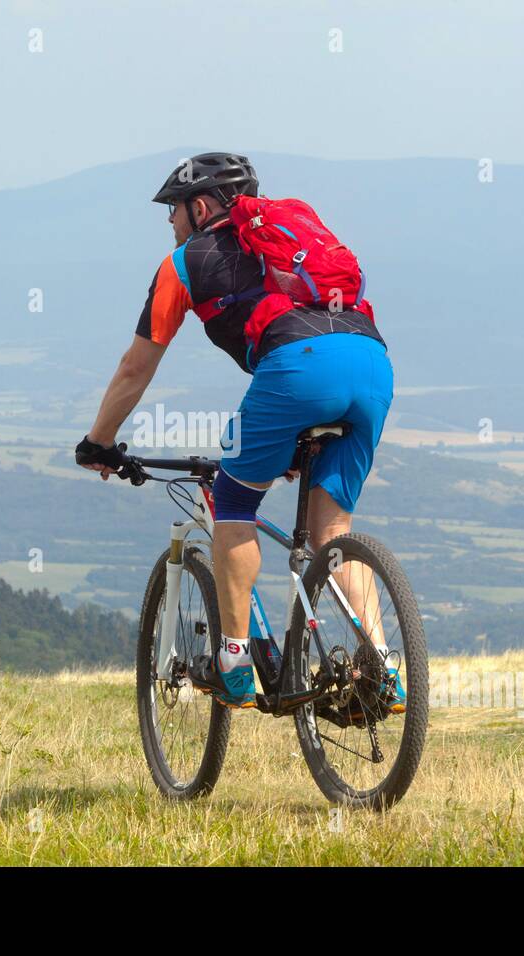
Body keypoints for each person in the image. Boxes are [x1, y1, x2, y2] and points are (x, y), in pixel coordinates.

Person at [75, 154, 401, 710]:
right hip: (371, 362)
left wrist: (98, 441)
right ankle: (382, 666)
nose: (171, 225)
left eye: (173, 212)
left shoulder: (184, 262)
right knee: (331, 531)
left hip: (299, 369)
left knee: (231, 501)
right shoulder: (288, 228)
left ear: (200, 208)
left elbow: (136, 366)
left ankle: (233, 659)